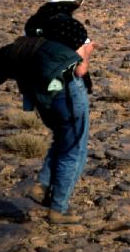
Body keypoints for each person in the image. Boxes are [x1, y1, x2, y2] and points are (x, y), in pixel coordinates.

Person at [24, 13, 94, 224]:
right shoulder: (73, 32)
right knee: (72, 150)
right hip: (69, 93)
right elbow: (80, 70)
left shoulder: (41, 32)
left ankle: (42, 185)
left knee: (61, 138)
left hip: (46, 93)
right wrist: (87, 51)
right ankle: (58, 209)